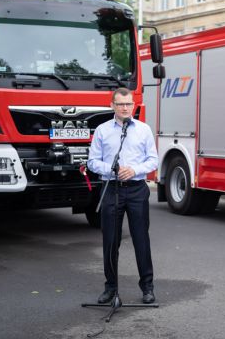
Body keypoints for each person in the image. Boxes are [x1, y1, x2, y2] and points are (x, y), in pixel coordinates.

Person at [87, 87, 159, 304]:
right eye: (120, 104)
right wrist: (113, 169)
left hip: (137, 190)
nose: (125, 108)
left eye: (128, 104)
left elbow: (153, 160)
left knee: (141, 240)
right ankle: (110, 288)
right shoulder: (102, 130)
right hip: (111, 188)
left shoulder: (144, 129)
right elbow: (92, 162)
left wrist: (135, 170)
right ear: (112, 105)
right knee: (110, 241)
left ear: (133, 105)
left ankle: (147, 288)